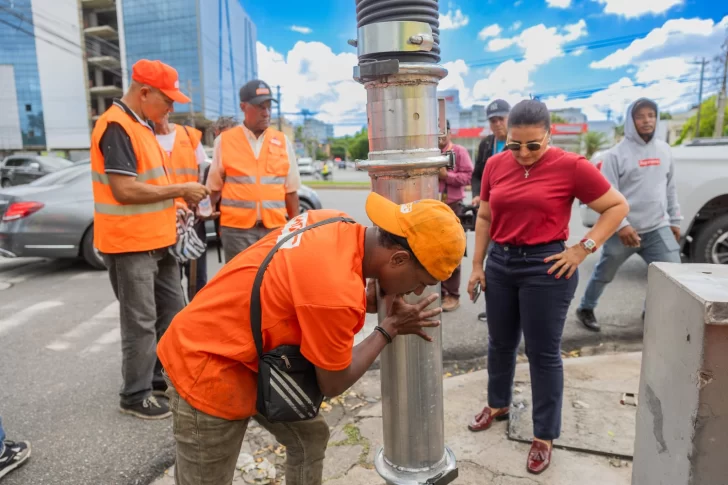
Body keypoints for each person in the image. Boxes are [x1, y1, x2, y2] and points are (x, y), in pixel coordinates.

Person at [157, 193, 466, 485]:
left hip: (245, 354)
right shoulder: (334, 294)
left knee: (309, 437)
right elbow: (333, 382)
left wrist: (367, 299)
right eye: (420, 282)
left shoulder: (333, 220)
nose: (414, 292)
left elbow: (301, 290)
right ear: (398, 259)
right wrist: (389, 329)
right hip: (205, 365)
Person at [466, 99, 628, 475]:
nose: (523, 153)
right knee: (500, 343)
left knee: (542, 353)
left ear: (549, 137)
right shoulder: (494, 164)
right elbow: (487, 214)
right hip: (502, 264)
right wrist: (477, 264)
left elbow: (617, 207)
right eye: (515, 145)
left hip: (547, 267)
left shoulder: (572, 166)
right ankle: (497, 404)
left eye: (533, 145)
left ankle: (544, 434)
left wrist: (582, 248)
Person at [90, 59, 209, 419]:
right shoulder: (116, 126)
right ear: (144, 93)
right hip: (130, 244)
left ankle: (157, 376)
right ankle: (135, 394)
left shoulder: (143, 125)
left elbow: (150, 183)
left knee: (172, 312)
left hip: (159, 239)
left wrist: (176, 206)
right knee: (140, 320)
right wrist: (181, 189)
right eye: (168, 100)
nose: (171, 108)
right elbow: (124, 190)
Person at [576, 98, 682, 331]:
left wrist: (675, 220)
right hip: (622, 230)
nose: (647, 121)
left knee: (672, 275)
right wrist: (622, 225)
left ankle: (651, 312)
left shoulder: (664, 150)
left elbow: (670, 187)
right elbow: (607, 195)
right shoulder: (615, 155)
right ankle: (585, 307)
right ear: (631, 121)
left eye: (651, 115)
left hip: (657, 227)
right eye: (640, 116)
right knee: (605, 272)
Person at [206, 79, 301, 262]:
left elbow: (291, 190)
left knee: (273, 283)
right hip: (236, 231)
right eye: (260, 107)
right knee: (241, 286)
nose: (266, 113)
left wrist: (294, 226)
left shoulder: (282, 141)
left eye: (268, 107)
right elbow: (214, 187)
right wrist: (204, 210)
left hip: (274, 228)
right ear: (243, 107)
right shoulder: (225, 141)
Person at [155, 113, 212, 300]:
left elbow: (203, 174)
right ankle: (176, 320)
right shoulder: (146, 138)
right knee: (170, 280)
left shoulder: (188, 136)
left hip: (191, 219)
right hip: (163, 219)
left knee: (198, 276)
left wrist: (203, 206)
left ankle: (197, 320)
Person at [471, 99, 511, 322]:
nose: (497, 124)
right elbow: (477, 174)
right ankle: (494, 307)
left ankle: (506, 308)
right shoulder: (487, 144)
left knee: (502, 261)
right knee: (487, 259)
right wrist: (477, 193)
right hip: (488, 210)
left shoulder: (519, 143)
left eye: (501, 119)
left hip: (508, 212)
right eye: (492, 120)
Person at [438, 120, 474, 312]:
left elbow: (468, 177)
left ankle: (453, 295)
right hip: (433, 207)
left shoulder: (458, 151)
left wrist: (447, 177)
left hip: (453, 206)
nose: (440, 136)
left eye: (443, 131)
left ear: (450, 132)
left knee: (452, 253)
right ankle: (440, 294)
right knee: (432, 252)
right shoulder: (429, 153)